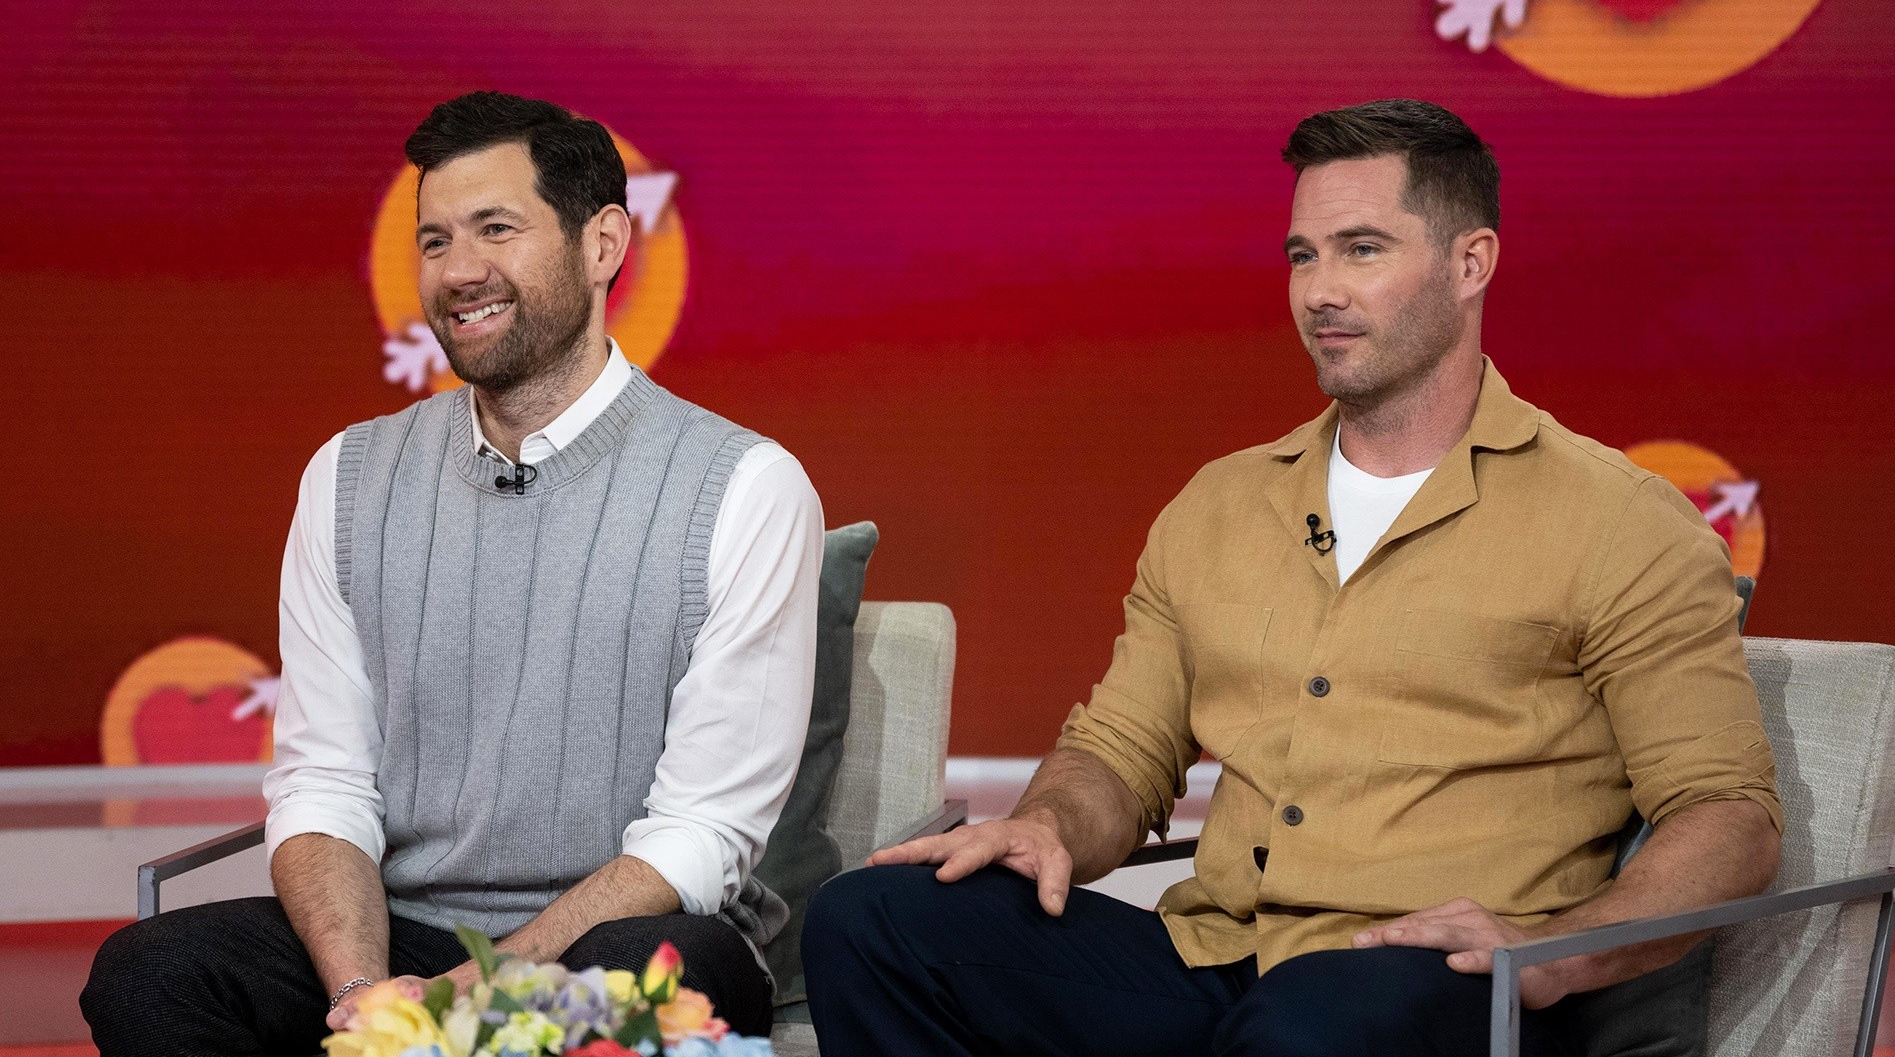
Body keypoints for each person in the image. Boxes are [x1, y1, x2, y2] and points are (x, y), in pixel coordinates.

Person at [802, 99, 1782, 1056]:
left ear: (1470, 262)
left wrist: (1550, 957)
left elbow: (1726, 817)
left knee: (1311, 1024)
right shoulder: (1222, 505)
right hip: (1222, 958)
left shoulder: (1618, 523)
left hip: (1444, 987)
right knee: (872, 922)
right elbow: (1123, 748)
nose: (1320, 290)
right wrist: (1049, 824)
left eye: (1363, 250)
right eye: (1302, 255)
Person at [82, 91, 823, 1054]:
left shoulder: (744, 487)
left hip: (621, 939)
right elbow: (325, 781)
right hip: (400, 935)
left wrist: (488, 984)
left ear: (604, 245)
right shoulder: (348, 475)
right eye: (433, 241)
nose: (459, 271)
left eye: (496, 229)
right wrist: (367, 994)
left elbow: (700, 837)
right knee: (149, 973)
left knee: (646, 972)